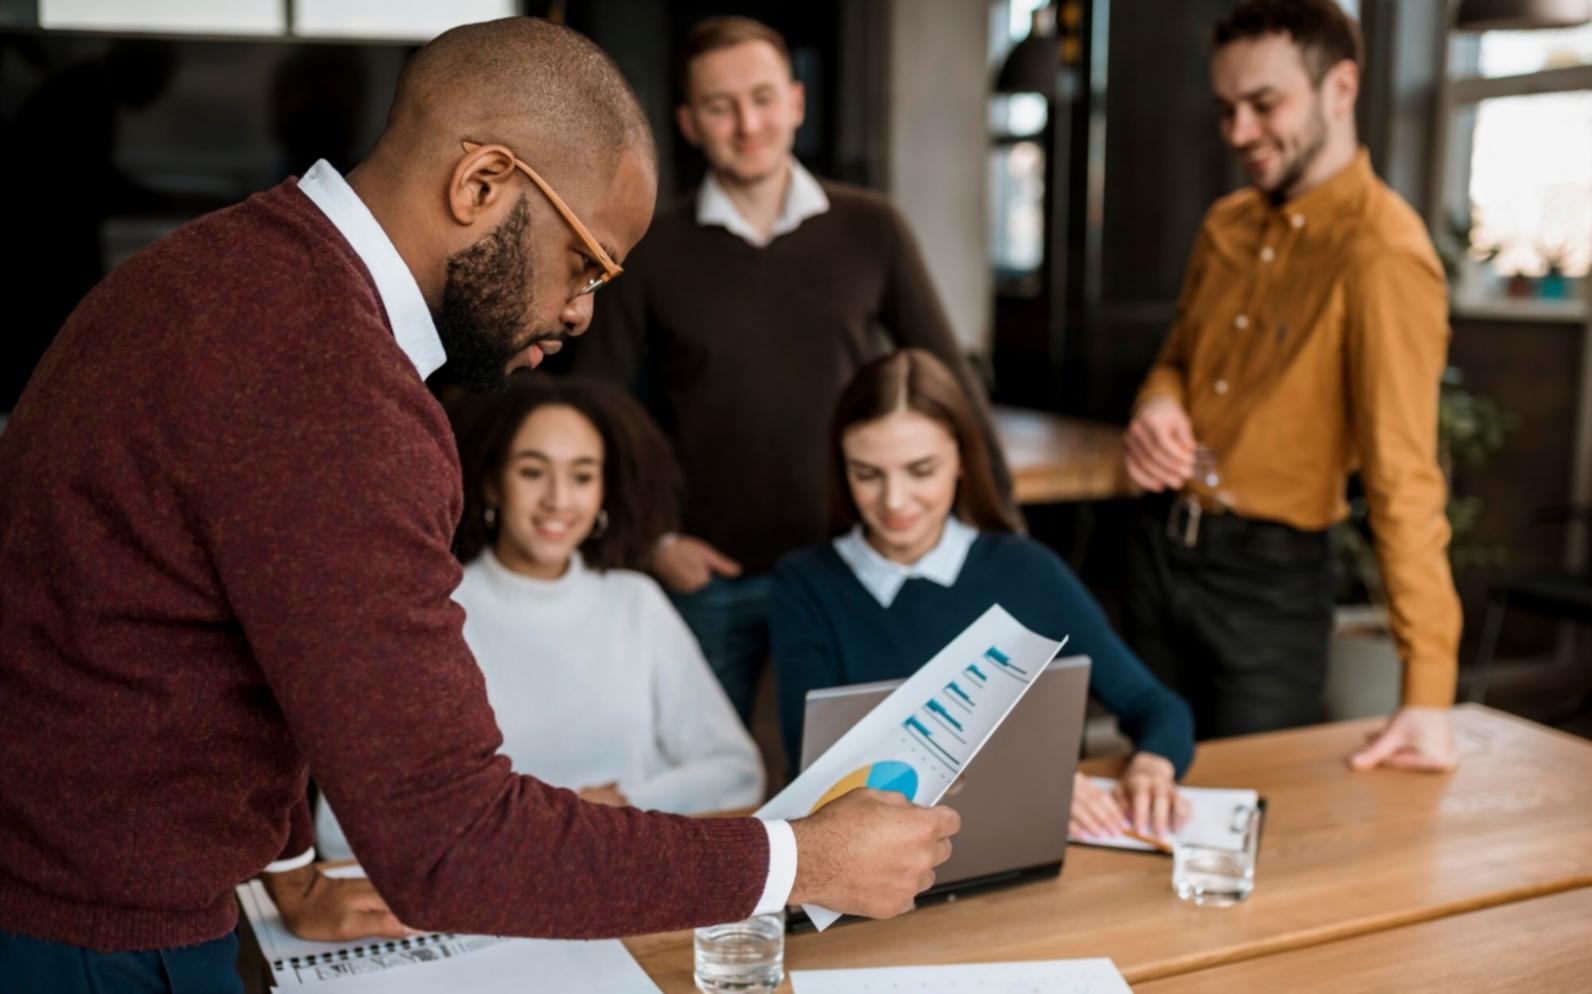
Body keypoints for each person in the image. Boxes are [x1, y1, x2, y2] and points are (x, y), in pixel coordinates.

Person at [0, 18, 958, 992]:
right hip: (98, 935)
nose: (582, 312)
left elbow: (245, 629)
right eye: (584, 263)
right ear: (483, 183)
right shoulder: (337, 389)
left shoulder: (220, 269)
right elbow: (449, 840)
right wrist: (800, 859)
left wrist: (292, 866)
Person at [562, 15, 1014, 726]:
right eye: (721, 106)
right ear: (688, 123)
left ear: (797, 102)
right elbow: (596, 408)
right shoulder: (651, 247)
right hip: (711, 574)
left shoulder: (873, 227)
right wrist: (653, 541)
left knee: (868, 763)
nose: (748, 124)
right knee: (714, 770)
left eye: (764, 98)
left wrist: (1003, 534)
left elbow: (948, 383)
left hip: (854, 563)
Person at [1120, 0, 1459, 772]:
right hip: (1157, 548)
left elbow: (1404, 475)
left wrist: (1428, 690)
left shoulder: (1383, 253)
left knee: (1248, 804)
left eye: (1264, 104)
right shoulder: (1224, 225)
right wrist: (1158, 402)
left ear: (1340, 89)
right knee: (1137, 792)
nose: (1238, 132)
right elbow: (1175, 360)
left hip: (1268, 588)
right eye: (1226, 109)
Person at [315, 376, 763, 861]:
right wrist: (536, 824)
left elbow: (738, 772)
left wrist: (624, 805)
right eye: (533, 472)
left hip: (624, 867)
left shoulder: (635, 602)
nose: (558, 500)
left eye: (582, 476)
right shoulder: (430, 609)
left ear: (604, 491)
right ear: (492, 483)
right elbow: (341, 825)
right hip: (482, 882)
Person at [772, 350, 1196, 841]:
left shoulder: (1029, 570)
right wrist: (1027, 779)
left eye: (921, 470)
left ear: (961, 460)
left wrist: (1152, 767)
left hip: (1023, 845)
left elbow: (1156, 706)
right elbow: (816, 767)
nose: (894, 500)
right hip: (874, 855)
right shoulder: (805, 584)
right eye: (867, 474)